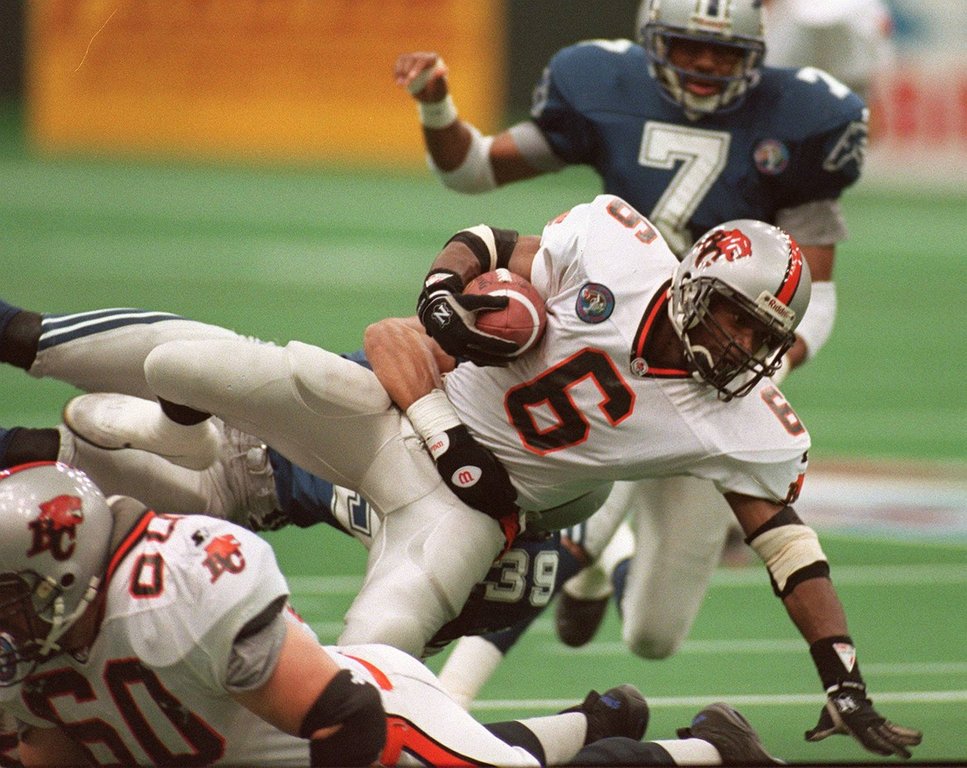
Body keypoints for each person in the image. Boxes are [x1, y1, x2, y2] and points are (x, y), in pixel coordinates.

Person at [0, 196, 922, 760]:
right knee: (198, 365)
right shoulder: (618, 248)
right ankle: (36, 342)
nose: (739, 344)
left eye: (760, 335)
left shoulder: (748, 422)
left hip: (470, 511)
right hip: (397, 417)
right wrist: (443, 289)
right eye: (731, 317)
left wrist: (840, 673)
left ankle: (599, 733)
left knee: (375, 671)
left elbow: (786, 546)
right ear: (690, 282)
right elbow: (483, 240)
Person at [394, 0, 870, 697]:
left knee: (653, 634)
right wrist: (436, 105)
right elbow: (471, 170)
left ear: (756, 54)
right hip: (613, 332)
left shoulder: (804, 118)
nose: (704, 64)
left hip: (715, 381)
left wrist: (756, 372)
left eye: (724, 52)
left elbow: (816, 294)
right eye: (687, 46)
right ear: (652, 40)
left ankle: (603, 560)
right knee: (550, 526)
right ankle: (447, 703)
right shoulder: (605, 86)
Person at [3, 460, 787, 767]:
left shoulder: (176, 588)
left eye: (8, 594)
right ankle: (598, 717)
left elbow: (348, 720)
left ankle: (709, 749)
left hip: (374, 721)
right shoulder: (40, 647)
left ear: (62, 572)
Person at [0, 411, 587, 660]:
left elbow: (379, 667)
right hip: (238, 455)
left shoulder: (475, 559)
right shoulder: (456, 445)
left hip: (234, 485)